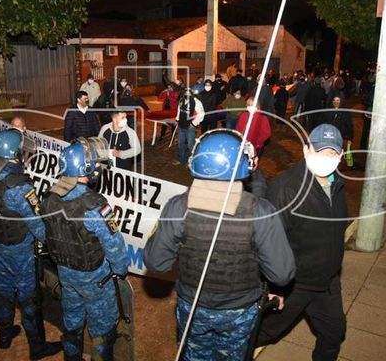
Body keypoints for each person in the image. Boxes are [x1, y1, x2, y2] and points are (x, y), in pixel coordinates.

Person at [143, 129, 295, 361]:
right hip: (240, 311)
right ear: (244, 164)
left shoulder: (177, 207)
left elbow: (156, 263)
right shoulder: (261, 211)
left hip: (193, 307)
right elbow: (282, 274)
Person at [255, 123, 349, 361]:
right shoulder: (285, 189)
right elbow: (270, 243)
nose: (326, 158)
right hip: (294, 284)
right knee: (262, 333)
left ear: (340, 156)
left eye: (332, 153)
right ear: (307, 150)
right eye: (320, 152)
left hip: (327, 282)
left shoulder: (337, 185)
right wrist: (275, 288)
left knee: (334, 332)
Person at [0, 129, 62, 359]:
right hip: (21, 250)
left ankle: (5, 335)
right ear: (14, 155)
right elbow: (38, 226)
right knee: (29, 298)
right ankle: (37, 347)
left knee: (3, 291)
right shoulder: (19, 187)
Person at [39, 137, 128, 361]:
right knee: (103, 328)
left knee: (72, 320)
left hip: (66, 273)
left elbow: (45, 234)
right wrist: (120, 269)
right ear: (85, 168)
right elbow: (114, 244)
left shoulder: (49, 198)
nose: (98, 167)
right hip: (95, 279)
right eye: (95, 163)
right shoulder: (95, 204)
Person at [174, 88, 204, 166]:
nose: (187, 94)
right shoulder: (181, 100)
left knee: (190, 145)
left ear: (192, 93)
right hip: (181, 125)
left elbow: (201, 114)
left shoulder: (196, 102)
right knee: (181, 144)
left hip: (190, 127)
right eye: (186, 93)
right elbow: (179, 111)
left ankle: (191, 161)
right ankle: (181, 160)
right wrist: (177, 120)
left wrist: (194, 123)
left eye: (189, 93)